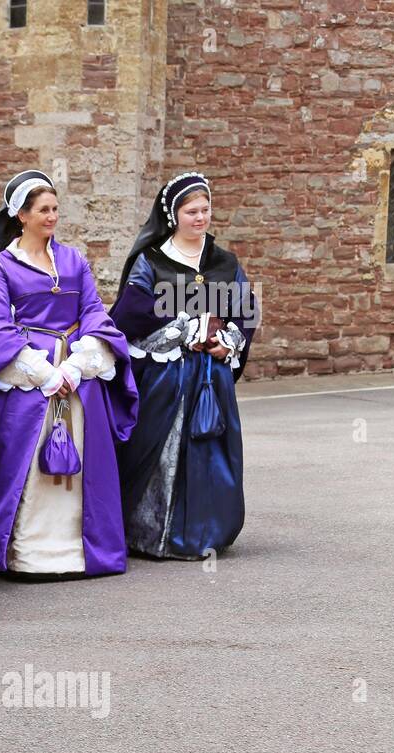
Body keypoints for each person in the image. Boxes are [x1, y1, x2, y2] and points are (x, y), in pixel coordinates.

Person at [0, 169, 138, 579]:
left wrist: (77, 366)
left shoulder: (74, 259)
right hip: (31, 376)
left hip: (75, 375)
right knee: (21, 463)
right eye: (43, 210)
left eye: (56, 209)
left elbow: (94, 310)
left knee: (84, 464)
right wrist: (42, 373)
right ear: (21, 215)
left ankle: (79, 551)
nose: (52, 216)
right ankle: (27, 552)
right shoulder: (2, 267)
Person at [111, 171, 258, 559]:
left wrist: (228, 341)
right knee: (157, 450)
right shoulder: (152, 261)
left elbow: (244, 310)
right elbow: (130, 313)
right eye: (191, 211)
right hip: (166, 375)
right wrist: (181, 324)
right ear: (173, 215)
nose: (200, 217)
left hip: (211, 377)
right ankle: (150, 533)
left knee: (210, 451)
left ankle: (205, 533)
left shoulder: (224, 261)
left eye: (205, 210)